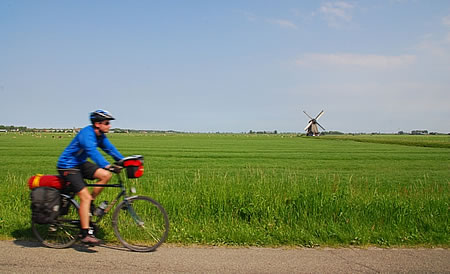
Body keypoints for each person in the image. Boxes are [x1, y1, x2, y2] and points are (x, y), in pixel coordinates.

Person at [57, 109, 124, 244]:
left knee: (106, 175)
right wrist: (106, 164)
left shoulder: (100, 136)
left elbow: (110, 149)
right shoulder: (86, 134)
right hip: (67, 166)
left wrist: (123, 161)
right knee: (84, 197)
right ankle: (85, 233)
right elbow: (92, 152)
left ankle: (89, 204)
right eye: (107, 123)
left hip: (79, 163)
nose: (109, 125)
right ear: (98, 124)